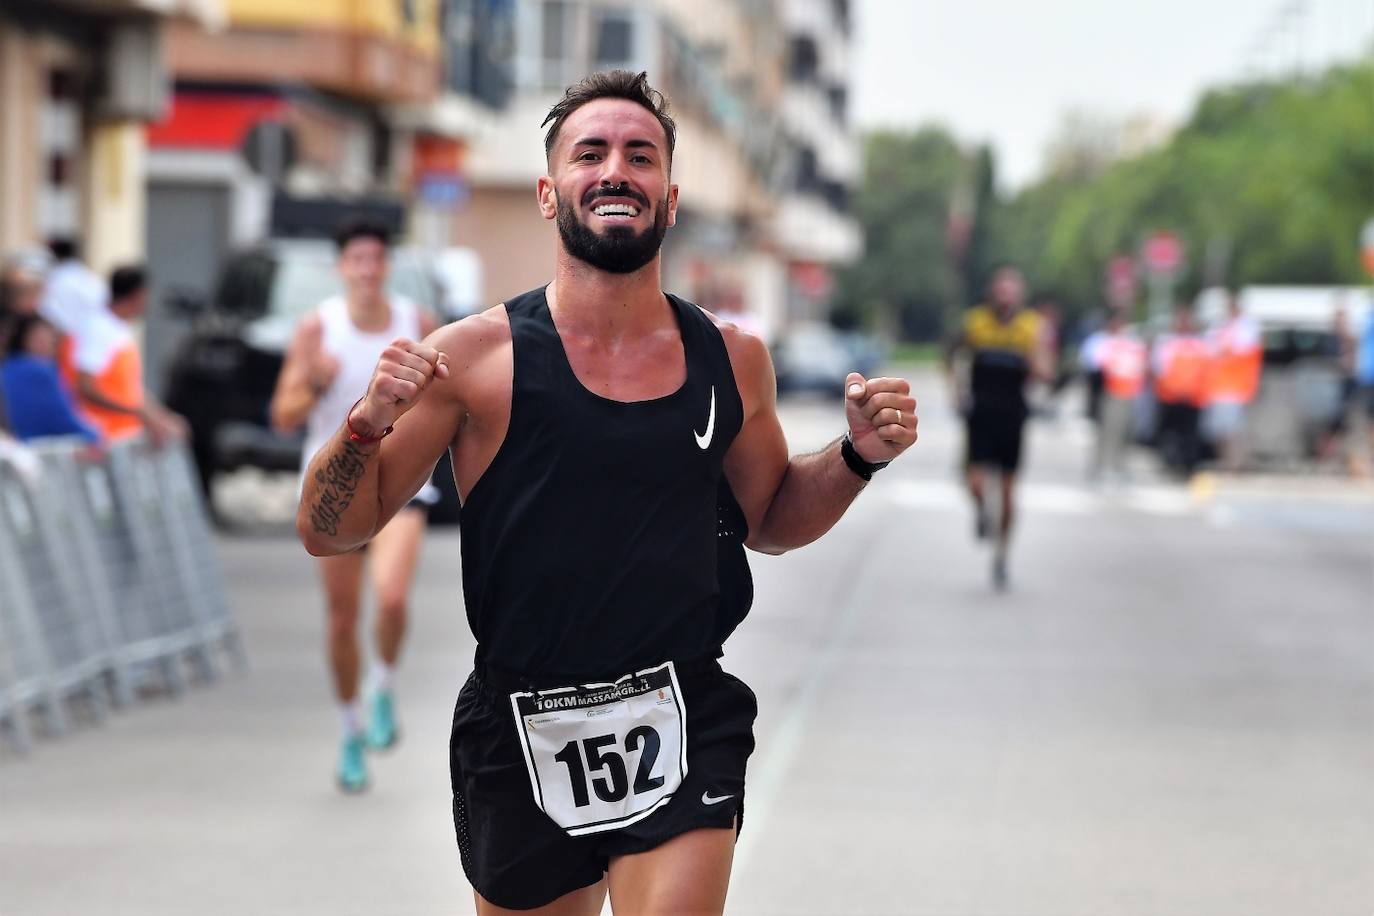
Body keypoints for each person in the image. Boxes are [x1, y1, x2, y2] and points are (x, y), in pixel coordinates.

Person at [293, 70, 916, 913]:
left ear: (670, 194)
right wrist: (366, 422)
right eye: (591, 154)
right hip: (521, 723)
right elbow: (329, 531)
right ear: (551, 194)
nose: (616, 170)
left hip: (682, 708)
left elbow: (769, 519)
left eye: (641, 155)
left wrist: (855, 456)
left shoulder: (731, 361)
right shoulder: (472, 361)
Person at [270, 219, 442, 794]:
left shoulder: (415, 323)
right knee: (343, 617)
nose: (367, 270)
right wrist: (316, 382)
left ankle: (384, 687)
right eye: (357, 260)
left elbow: (446, 397)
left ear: (385, 266)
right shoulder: (319, 328)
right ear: (342, 267)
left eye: (376, 259)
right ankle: (348, 731)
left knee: (391, 600)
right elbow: (284, 416)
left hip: (402, 485)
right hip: (335, 489)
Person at [944, 265, 1051, 590]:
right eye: (1001, 289)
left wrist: (1041, 367)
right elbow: (950, 355)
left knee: (1007, 490)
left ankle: (1002, 554)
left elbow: (1045, 367)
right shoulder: (975, 323)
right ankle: (981, 512)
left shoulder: (1031, 327)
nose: (1005, 296)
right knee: (975, 482)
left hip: (1013, 415)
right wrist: (956, 392)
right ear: (992, 292)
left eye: (1011, 290)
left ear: (1020, 295)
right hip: (981, 414)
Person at [72, 266, 186, 445]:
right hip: (103, 439)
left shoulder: (117, 329)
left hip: (123, 436)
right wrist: (136, 412)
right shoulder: (98, 329)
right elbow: (86, 386)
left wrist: (159, 416)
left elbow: (130, 389)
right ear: (138, 294)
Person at [2, 314, 101, 443]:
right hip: (44, 447)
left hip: (20, 443)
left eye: (51, 340)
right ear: (23, 339)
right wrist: (94, 435)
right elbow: (61, 419)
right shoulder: (40, 371)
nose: (48, 345)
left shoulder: (8, 367)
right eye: (40, 340)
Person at [1079, 307, 1147, 483]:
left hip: (1129, 393)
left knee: (1124, 433)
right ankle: (1101, 467)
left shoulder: (1132, 344)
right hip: (1109, 392)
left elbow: (1140, 366)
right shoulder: (1103, 341)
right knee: (1107, 431)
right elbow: (1093, 364)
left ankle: (1118, 467)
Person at [1202, 288, 1262, 470]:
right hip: (1218, 387)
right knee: (1218, 430)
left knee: (1234, 430)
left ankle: (1235, 463)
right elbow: (1209, 350)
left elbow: (1237, 351)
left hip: (1237, 388)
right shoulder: (1220, 326)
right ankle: (1224, 461)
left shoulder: (1247, 327)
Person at [1152, 304, 1212, 479]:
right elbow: (1159, 370)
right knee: (1172, 435)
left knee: (1191, 436)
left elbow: (1207, 370)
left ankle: (1189, 467)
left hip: (1193, 399)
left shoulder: (1201, 345)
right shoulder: (1168, 344)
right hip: (1171, 398)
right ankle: (1172, 464)